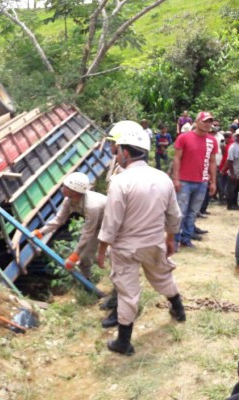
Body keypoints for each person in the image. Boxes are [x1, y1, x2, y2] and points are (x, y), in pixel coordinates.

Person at [96, 121, 185, 356]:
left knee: (128, 293)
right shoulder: (162, 178)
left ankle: (123, 342)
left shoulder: (120, 182)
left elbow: (111, 222)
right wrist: (170, 238)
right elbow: (174, 214)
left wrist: (102, 249)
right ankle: (179, 309)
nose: (116, 155)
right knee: (161, 275)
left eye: (117, 150)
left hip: (125, 248)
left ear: (125, 152)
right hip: (154, 242)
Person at [32, 172, 106, 280]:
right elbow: (59, 219)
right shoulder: (69, 200)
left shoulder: (92, 206)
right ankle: (87, 282)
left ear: (74, 191)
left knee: (112, 252)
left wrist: (74, 255)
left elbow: (87, 233)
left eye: (66, 186)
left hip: (112, 224)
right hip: (97, 225)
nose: (62, 187)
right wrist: (41, 232)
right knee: (85, 257)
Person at [172, 111, 218, 249]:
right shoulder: (184, 138)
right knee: (180, 212)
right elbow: (177, 158)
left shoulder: (212, 141)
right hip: (184, 181)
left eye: (210, 121)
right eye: (205, 121)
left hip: (202, 182)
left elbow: (212, 162)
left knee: (192, 212)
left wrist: (213, 181)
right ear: (197, 122)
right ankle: (174, 240)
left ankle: (186, 238)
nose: (208, 124)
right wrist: (176, 178)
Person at [225, 132, 239, 210]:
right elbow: (230, 161)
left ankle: (235, 204)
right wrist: (232, 174)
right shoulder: (233, 147)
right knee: (231, 190)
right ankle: (230, 205)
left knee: (236, 189)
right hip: (234, 171)